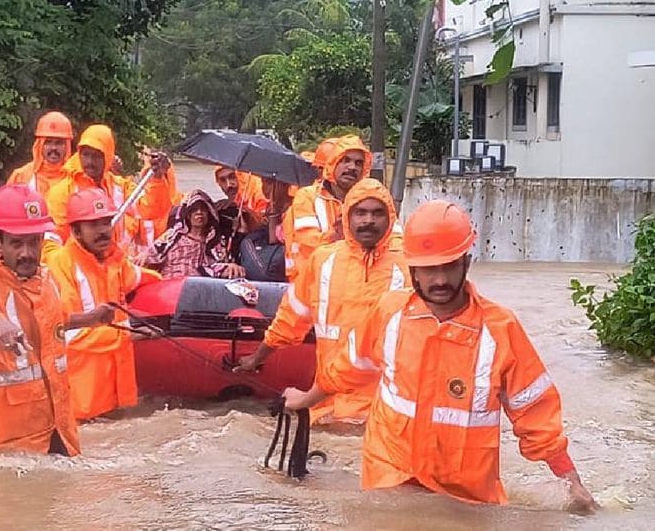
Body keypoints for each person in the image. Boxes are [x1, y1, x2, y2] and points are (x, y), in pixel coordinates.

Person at [281, 200, 599, 512]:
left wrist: (571, 481)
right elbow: (348, 367)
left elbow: (535, 412)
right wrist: (306, 399)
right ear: (413, 270)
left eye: (449, 266)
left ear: (467, 263)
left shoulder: (500, 329)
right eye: (429, 270)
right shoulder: (389, 313)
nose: (440, 280)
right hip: (389, 482)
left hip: (465, 495)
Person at [237, 179, 409, 424]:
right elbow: (291, 317)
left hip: (386, 413)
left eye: (377, 213)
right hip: (329, 404)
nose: (368, 220)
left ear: (390, 218)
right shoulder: (323, 261)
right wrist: (258, 358)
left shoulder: (410, 268)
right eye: (360, 212)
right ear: (346, 217)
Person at [0, 185, 81, 460]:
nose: (27, 253)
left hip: (60, 433)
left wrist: (93, 319)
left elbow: (55, 326)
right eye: (16, 243)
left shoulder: (49, 281)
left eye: (33, 242)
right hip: (9, 447)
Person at [46, 188, 161, 421]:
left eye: (106, 223)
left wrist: (174, 284)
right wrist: (127, 334)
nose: (103, 231)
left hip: (115, 396)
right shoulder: (61, 265)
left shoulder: (114, 261)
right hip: (80, 404)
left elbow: (141, 277)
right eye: (93, 225)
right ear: (76, 230)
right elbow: (65, 332)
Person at [44, 124, 172, 256]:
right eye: (85, 155)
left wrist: (157, 179)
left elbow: (151, 210)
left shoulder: (122, 187)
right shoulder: (62, 192)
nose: (90, 161)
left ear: (108, 156)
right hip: (79, 269)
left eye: (97, 156)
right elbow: (53, 238)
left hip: (117, 268)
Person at [281, 135, 371, 282]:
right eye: (345, 160)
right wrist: (338, 236)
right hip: (311, 284)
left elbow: (393, 243)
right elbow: (308, 244)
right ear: (332, 163)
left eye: (358, 163)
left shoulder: (371, 200)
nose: (352, 167)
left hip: (356, 283)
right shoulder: (307, 197)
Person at [138, 189, 245, 280]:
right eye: (194, 209)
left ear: (210, 214)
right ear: (187, 214)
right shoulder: (173, 236)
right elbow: (148, 256)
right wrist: (142, 258)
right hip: (169, 285)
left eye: (203, 209)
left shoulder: (215, 241)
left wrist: (230, 267)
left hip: (199, 289)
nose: (199, 212)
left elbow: (220, 266)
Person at [6, 111, 74, 198]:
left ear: (67, 146)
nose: (53, 148)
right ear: (39, 145)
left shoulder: (76, 179)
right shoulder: (21, 176)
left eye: (59, 143)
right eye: (48, 142)